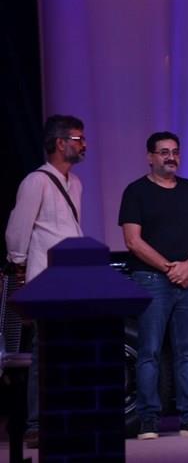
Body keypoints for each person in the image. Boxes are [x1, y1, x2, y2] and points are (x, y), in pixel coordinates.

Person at [119, 131, 188, 439]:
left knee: (187, 352)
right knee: (149, 351)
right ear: (150, 157)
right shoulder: (136, 191)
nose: (171, 157)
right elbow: (133, 241)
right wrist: (168, 268)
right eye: (164, 152)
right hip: (151, 280)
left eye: (175, 151)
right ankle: (148, 420)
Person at [5, 115, 86, 449]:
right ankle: (36, 423)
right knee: (45, 353)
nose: (83, 145)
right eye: (78, 139)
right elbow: (18, 230)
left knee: (71, 352)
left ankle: (68, 417)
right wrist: (20, 272)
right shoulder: (36, 181)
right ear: (60, 142)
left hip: (72, 279)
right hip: (45, 280)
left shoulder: (75, 183)